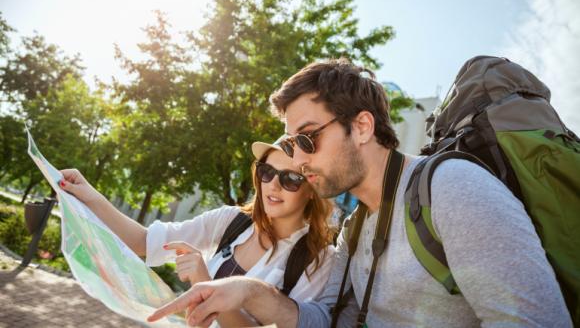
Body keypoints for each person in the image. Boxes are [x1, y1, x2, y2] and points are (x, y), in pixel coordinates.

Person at [147, 58, 572, 327]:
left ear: (363, 127)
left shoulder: (453, 189)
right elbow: (335, 318)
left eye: (308, 138)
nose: (297, 159)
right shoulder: (356, 227)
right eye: (292, 144)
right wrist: (250, 292)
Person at [59, 139, 335, 327]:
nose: (273, 185)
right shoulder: (232, 220)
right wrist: (89, 194)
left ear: (312, 190)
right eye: (267, 172)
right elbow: (145, 241)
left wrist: (206, 284)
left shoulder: (318, 259)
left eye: (290, 179)